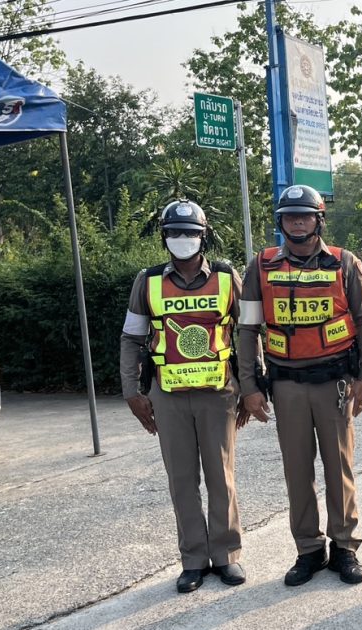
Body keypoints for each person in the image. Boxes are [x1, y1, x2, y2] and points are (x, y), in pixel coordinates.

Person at [237, 184, 362, 587]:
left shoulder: (344, 263)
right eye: (290, 217)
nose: (298, 223)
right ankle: (309, 550)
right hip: (286, 384)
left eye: (305, 216)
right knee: (297, 471)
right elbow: (248, 329)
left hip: (335, 382)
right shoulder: (260, 266)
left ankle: (344, 547)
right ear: (280, 222)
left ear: (319, 220)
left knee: (339, 468)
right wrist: (249, 386)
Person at [119, 199, 248, 593]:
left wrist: (251, 386)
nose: (182, 239)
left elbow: (248, 332)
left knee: (221, 476)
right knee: (181, 478)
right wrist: (131, 391)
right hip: (168, 395)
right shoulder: (148, 281)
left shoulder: (226, 277)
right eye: (174, 232)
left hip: (218, 393)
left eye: (190, 233)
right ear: (164, 237)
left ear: (203, 236)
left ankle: (226, 555)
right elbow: (131, 338)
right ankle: (193, 559)